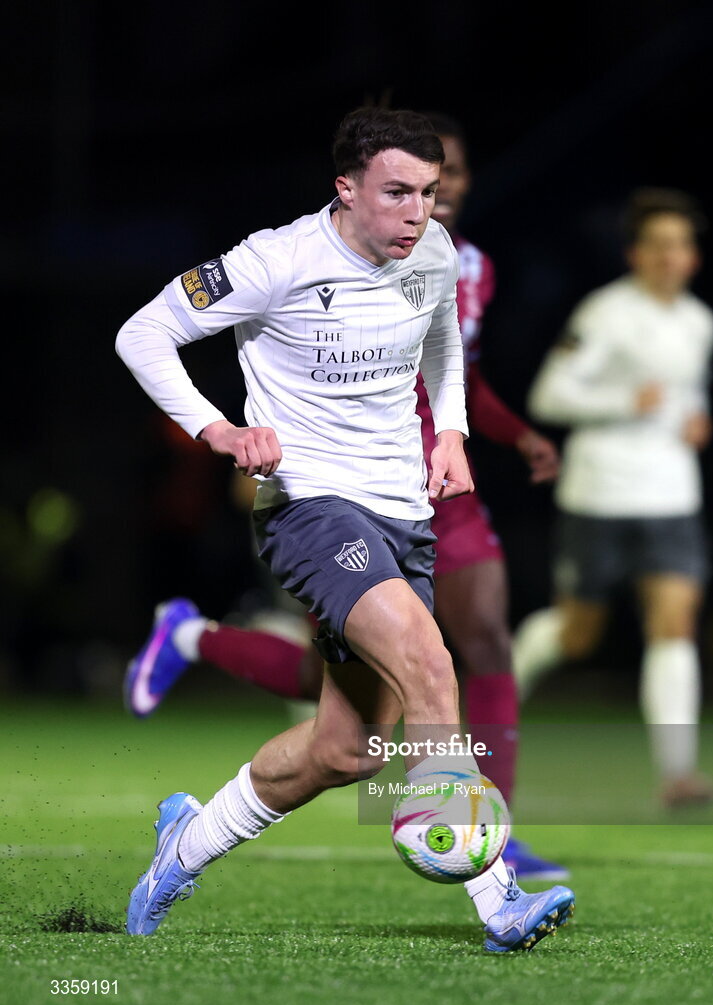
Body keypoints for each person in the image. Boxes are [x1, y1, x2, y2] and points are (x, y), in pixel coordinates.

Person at [116, 107, 575, 952]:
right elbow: (141, 334)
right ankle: (497, 894)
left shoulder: (431, 251)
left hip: (403, 511)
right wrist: (216, 430)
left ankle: (186, 841)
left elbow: (442, 337)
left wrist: (451, 431)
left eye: (430, 193)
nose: (418, 212)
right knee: (433, 663)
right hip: (311, 508)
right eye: (398, 192)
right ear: (347, 189)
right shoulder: (274, 260)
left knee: (347, 750)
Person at [513, 187, 713, 808]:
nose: (668, 256)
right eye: (656, 244)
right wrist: (626, 404)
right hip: (599, 493)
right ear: (634, 253)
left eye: (679, 245)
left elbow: (690, 392)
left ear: (693, 258)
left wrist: (696, 419)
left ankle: (678, 772)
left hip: (673, 494)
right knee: (578, 635)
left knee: (674, 625)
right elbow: (547, 396)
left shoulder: (699, 322)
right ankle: (498, 696)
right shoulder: (603, 314)